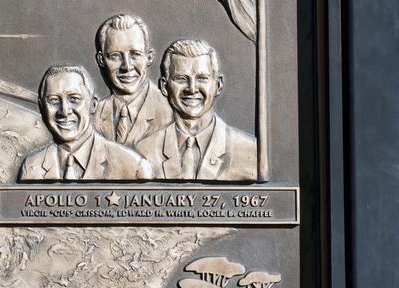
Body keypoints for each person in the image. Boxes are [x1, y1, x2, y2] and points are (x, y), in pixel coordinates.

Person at [135, 40, 258, 181]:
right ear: (164, 86)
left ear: (218, 85)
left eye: (202, 78)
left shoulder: (250, 153)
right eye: (181, 78)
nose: (192, 89)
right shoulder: (145, 151)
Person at [18, 65, 152, 181]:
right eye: (53, 100)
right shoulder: (31, 168)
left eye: (74, 99)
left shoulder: (133, 168)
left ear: (93, 105)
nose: (64, 111)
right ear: (42, 107)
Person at [93, 14, 174, 147]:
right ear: (101, 60)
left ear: (149, 57)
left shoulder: (170, 112)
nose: (127, 66)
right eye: (115, 56)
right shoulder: (93, 116)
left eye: (135, 54)